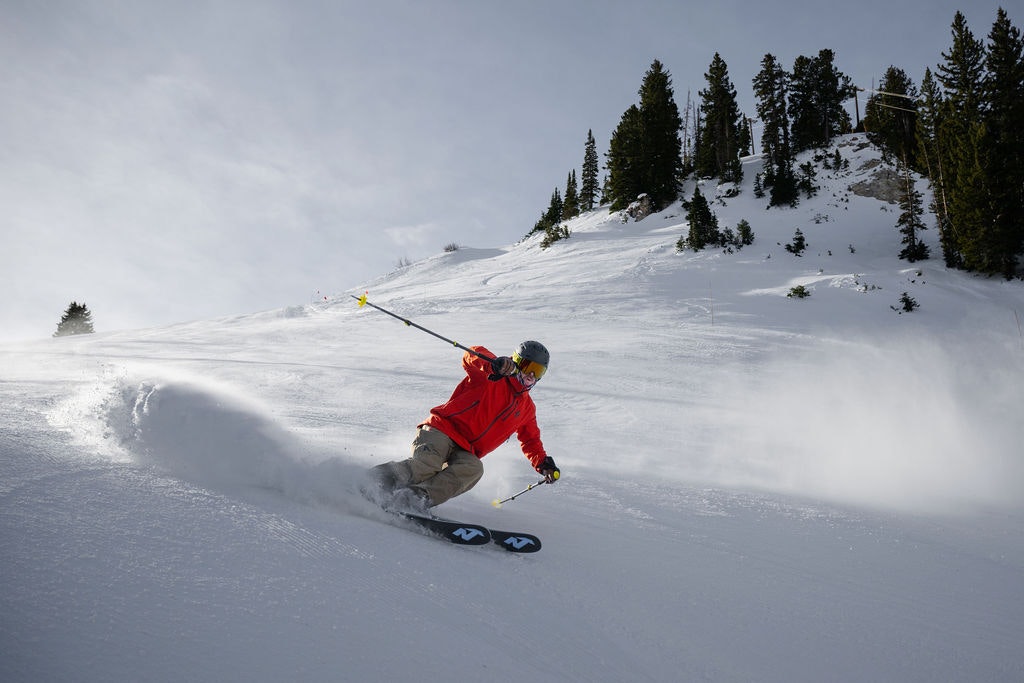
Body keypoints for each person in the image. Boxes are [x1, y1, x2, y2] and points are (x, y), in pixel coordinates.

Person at [367, 340, 559, 513]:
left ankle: (415, 498)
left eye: (538, 372)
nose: (530, 375)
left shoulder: (527, 408)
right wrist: (493, 364)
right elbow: (471, 355)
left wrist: (543, 464)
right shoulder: (491, 376)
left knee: (473, 468)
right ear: (515, 361)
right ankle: (374, 481)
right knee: (426, 466)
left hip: (467, 449)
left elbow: (531, 439)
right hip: (443, 430)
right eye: (528, 367)